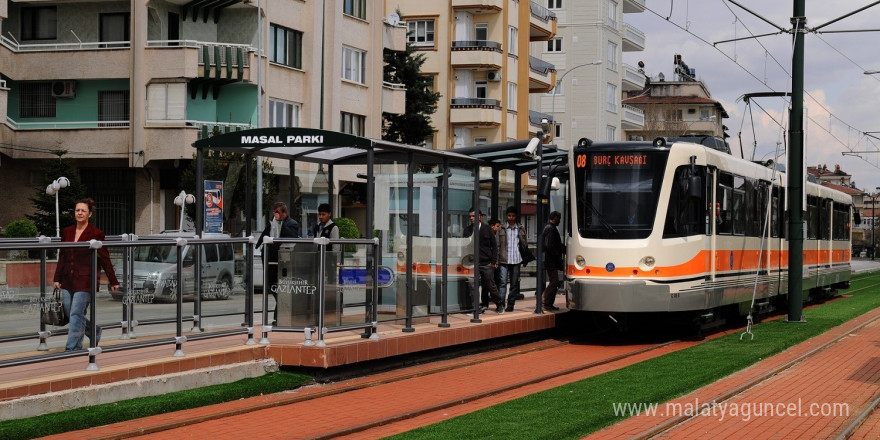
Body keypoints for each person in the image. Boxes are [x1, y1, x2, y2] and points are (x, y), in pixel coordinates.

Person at [53, 198, 120, 351]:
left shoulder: (96, 233)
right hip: (67, 279)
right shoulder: (67, 231)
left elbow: (105, 258)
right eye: (77, 210)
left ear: (89, 214)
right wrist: (57, 278)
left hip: (85, 280)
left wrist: (113, 281)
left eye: (83, 210)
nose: (80, 213)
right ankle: (93, 331)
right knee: (71, 313)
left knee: (76, 313)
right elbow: (62, 255)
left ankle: (71, 348)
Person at [256, 202, 300, 323]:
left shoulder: (292, 224)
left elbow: (292, 237)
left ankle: (278, 317)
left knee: (281, 290)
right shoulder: (273, 222)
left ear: (284, 212)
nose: (275, 214)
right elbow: (266, 233)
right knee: (273, 288)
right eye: (274, 211)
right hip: (270, 261)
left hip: (282, 262)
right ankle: (279, 316)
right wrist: (258, 246)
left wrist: (280, 224)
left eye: (278, 212)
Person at [496, 207, 528, 312]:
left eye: (513, 216)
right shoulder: (501, 228)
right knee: (502, 283)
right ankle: (501, 304)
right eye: (509, 215)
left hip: (516, 259)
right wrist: (496, 259)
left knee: (514, 284)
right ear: (506, 216)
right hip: (504, 259)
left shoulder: (521, 228)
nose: (511, 218)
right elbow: (497, 245)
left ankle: (510, 304)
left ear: (516, 216)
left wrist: (525, 259)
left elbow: (524, 244)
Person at [475, 216, 505, 314]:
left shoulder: (488, 230)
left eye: (474, 216)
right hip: (474, 262)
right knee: (475, 285)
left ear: (481, 217)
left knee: (490, 284)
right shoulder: (470, 229)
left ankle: (499, 303)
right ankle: (482, 305)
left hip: (487, 262)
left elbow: (495, 247)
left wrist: (494, 261)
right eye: (470, 216)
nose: (472, 218)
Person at [540, 211, 564, 311]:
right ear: (555, 218)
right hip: (551, 260)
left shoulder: (550, 228)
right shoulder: (550, 229)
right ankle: (544, 299)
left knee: (555, 281)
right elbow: (549, 245)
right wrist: (558, 252)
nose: (560, 220)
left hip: (551, 259)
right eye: (559, 218)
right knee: (554, 281)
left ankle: (549, 303)